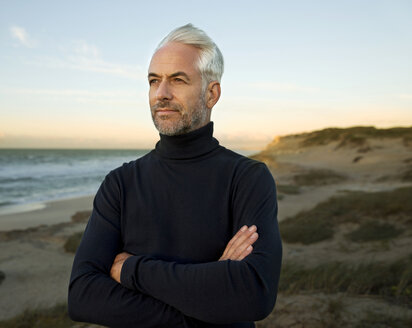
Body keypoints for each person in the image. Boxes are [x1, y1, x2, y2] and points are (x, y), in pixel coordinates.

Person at [68, 24, 282, 328]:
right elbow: (83, 296)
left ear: (212, 93)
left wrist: (132, 270)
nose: (161, 94)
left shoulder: (247, 178)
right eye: (154, 81)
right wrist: (207, 304)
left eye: (178, 80)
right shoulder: (121, 183)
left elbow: (254, 293)